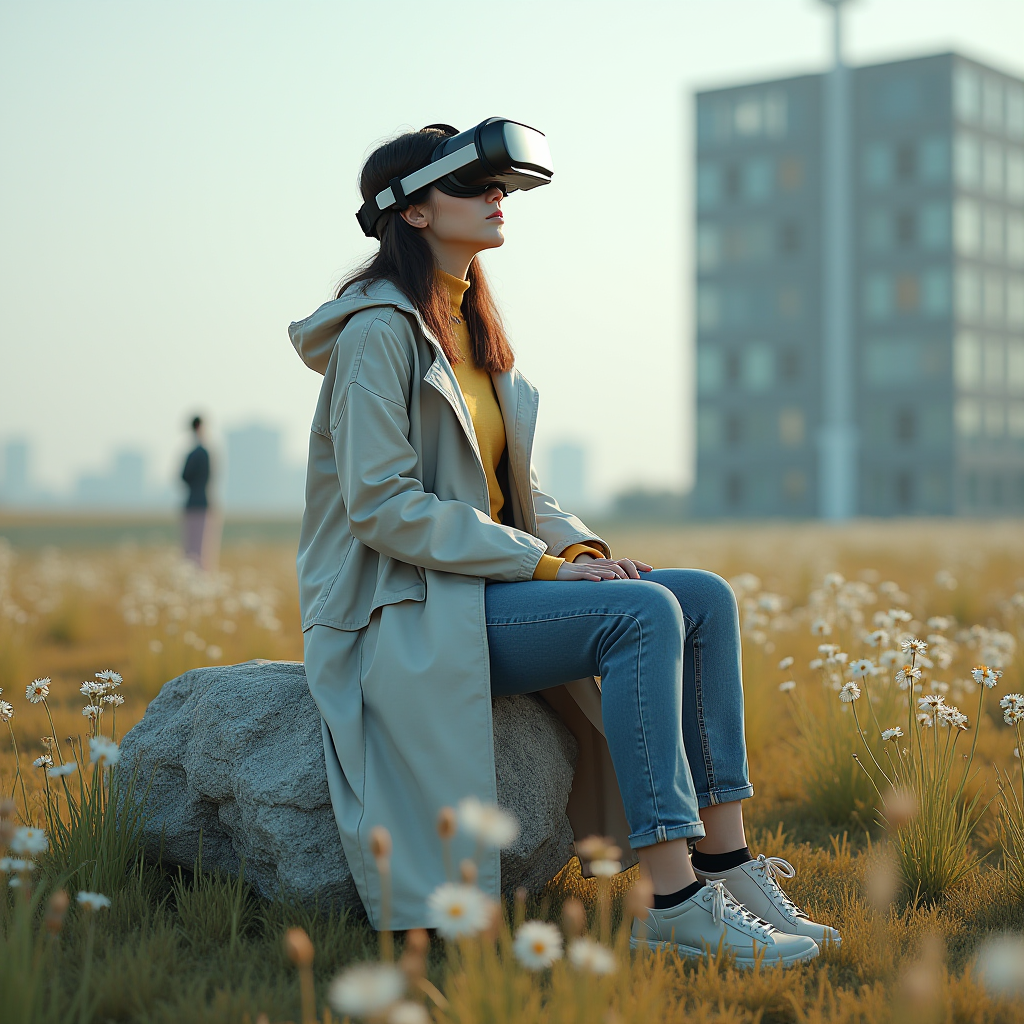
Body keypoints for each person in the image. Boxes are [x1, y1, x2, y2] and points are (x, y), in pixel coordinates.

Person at [290, 124, 840, 962]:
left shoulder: (472, 330)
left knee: (702, 599)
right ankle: (671, 897)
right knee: (641, 617)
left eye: (499, 184)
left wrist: (579, 553)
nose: (495, 197)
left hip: (480, 589)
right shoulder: (376, 336)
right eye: (473, 187)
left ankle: (725, 861)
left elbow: (519, 490)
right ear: (411, 214)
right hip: (400, 607)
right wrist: (540, 565)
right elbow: (383, 508)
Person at [181, 415, 213, 568]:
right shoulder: (204, 453)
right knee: (201, 548)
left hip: (192, 503)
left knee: (190, 547)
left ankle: (192, 577)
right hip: (202, 503)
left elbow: (183, 476)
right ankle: (199, 578)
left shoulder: (192, 454)